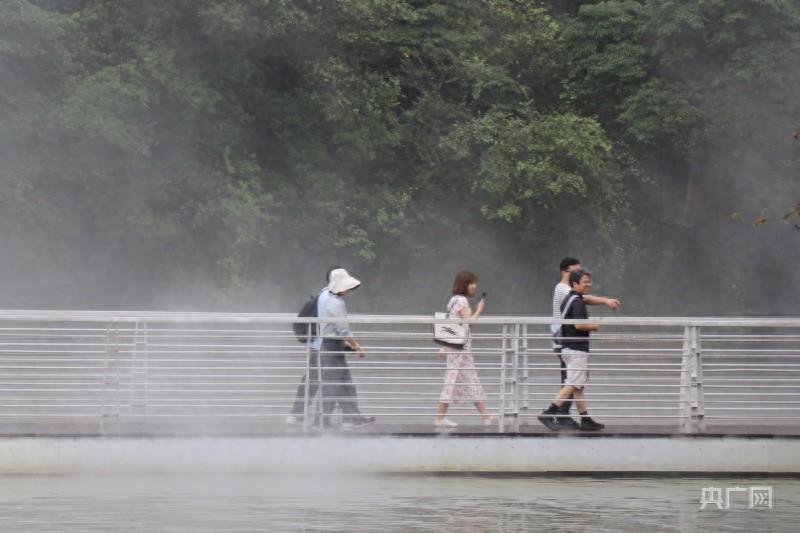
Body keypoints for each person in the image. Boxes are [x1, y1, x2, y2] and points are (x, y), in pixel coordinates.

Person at [550, 257, 620, 428]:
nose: (578, 274)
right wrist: (605, 301)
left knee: (574, 381)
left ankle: (578, 417)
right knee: (572, 381)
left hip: (568, 339)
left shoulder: (571, 291)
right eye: (575, 272)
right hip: (566, 340)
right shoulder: (562, 289)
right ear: (564, 272)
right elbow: (583, 298)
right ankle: (558, 415)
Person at [540, 269, 605, 431]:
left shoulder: (570, 299)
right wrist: (595, 326)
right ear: (575, 284)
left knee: (578, 386)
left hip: (568, 347)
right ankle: (550, 412)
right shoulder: (577, 302)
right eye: (585, 282)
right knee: (573, 384)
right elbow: (578, 324)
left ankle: (585, 419)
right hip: (576, 348)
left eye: (589, 282)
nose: (588, 285)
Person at [315, 268, 375, 429]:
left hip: (330, 344)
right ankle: (322, 420)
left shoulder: (325, 296)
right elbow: (343, 329)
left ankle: (352, 417)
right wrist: (357, 346)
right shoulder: (335, 303)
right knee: (333, 385)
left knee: (343, 384)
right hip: (331, 346)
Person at [434, 270, 494, 428]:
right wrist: (480, 309)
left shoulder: (453, 300)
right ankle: (440, 419)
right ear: (464, 284)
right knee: (457, 380)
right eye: (471, 283)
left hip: (457, 348)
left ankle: (485, 415)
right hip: (461, 349)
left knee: (467, 380)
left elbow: (453, 325)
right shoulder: (461, 301)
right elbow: (469, 322)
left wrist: (445, 347)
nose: (474, 286)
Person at [286, 267, 339, 426]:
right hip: (322, 346)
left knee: (314, 380)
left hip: (318, 345)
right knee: (328, 380)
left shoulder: (323, 296)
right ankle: (318, 418)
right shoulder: (327, 298)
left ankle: (301, 414)